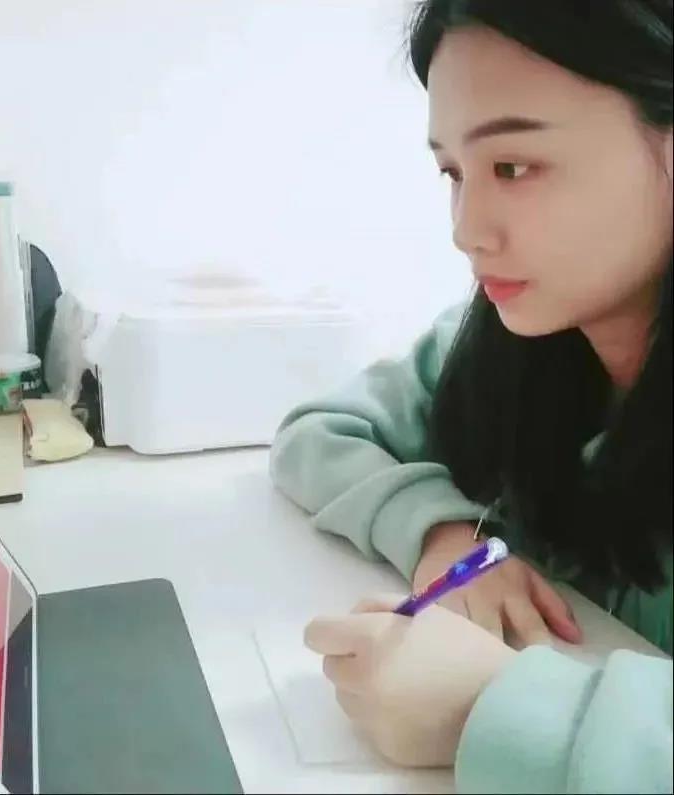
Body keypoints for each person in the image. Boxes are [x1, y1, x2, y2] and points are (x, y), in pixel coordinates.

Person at [269, 1, 673, 792]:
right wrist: (444, 534)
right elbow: (321, 431)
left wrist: (490, 705)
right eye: (453, 172)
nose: (465, 229)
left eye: (512, 167)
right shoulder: (509, 340)